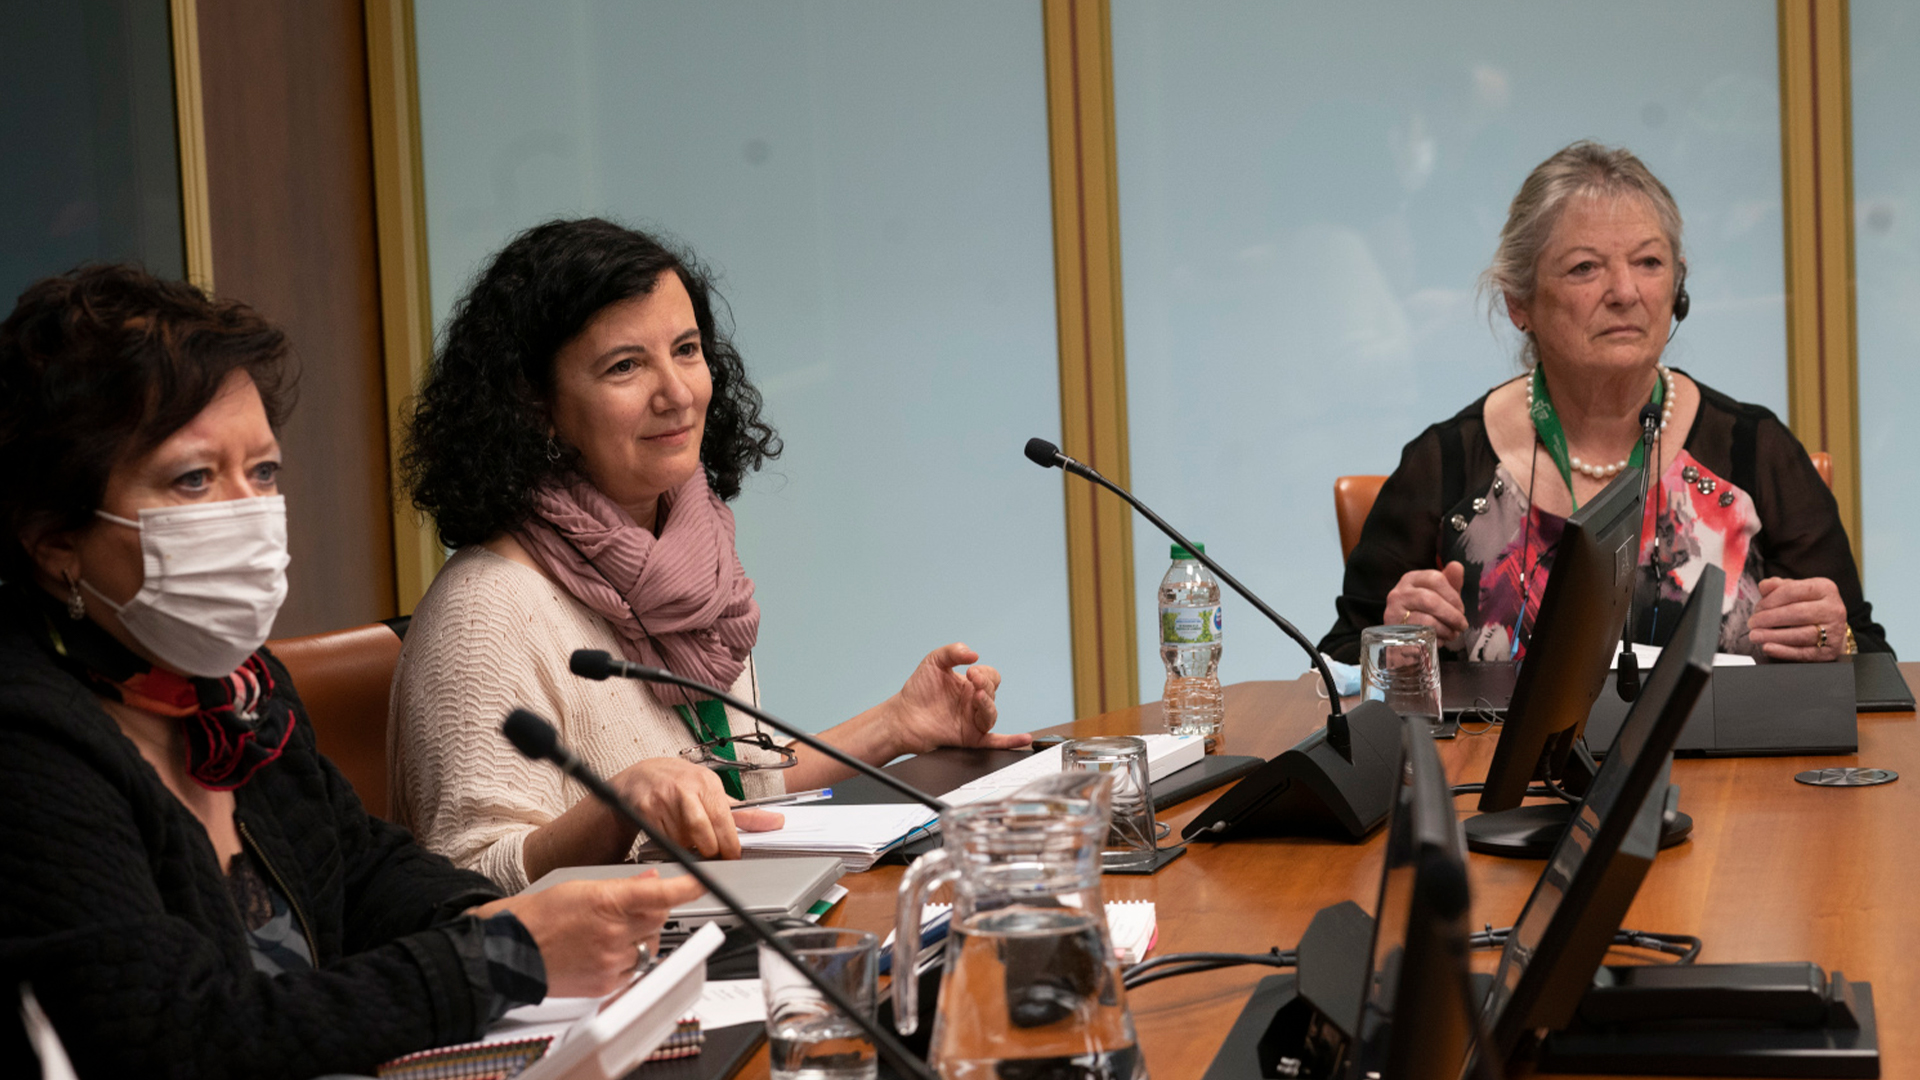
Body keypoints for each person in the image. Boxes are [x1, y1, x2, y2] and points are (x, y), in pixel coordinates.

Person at [0, 265, 707, 1078]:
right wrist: (506, 958)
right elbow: (175, 1040)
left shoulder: (235, 692)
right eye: (194, 480)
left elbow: (367, 873)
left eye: (262, 473)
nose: (247, 511)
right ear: (53, 538)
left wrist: (522, 919)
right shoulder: (26, 742)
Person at [393, 218, 1028, 893]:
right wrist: (617, 811)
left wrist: (897, 723)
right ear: (536, 405)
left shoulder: (690, 559)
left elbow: (739, 792)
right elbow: (465, 885)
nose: (678, 393)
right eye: (625, 366)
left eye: (687, 350)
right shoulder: (484, 616)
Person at [1320, 141, 1888, 665]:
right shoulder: (1444, 463)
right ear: (1520, 303)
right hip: (1497, 773)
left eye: (1649, 263)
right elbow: (1340, 659)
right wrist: (1392, 640)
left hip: (1723, 774)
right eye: (1585, 268)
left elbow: (1870, 656)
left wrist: (1831, 637)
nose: (1625, 292)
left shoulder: (1752, 450)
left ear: (1677, 290)